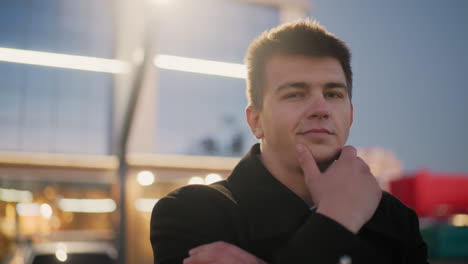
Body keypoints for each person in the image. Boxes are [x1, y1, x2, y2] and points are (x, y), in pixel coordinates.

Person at [150, 19, 428, 264]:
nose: (321, 108)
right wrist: (337, 219)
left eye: (333, 94)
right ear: (255, 121)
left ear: (351, 115)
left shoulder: (395, 218)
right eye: (295, 94)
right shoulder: (191, 213)